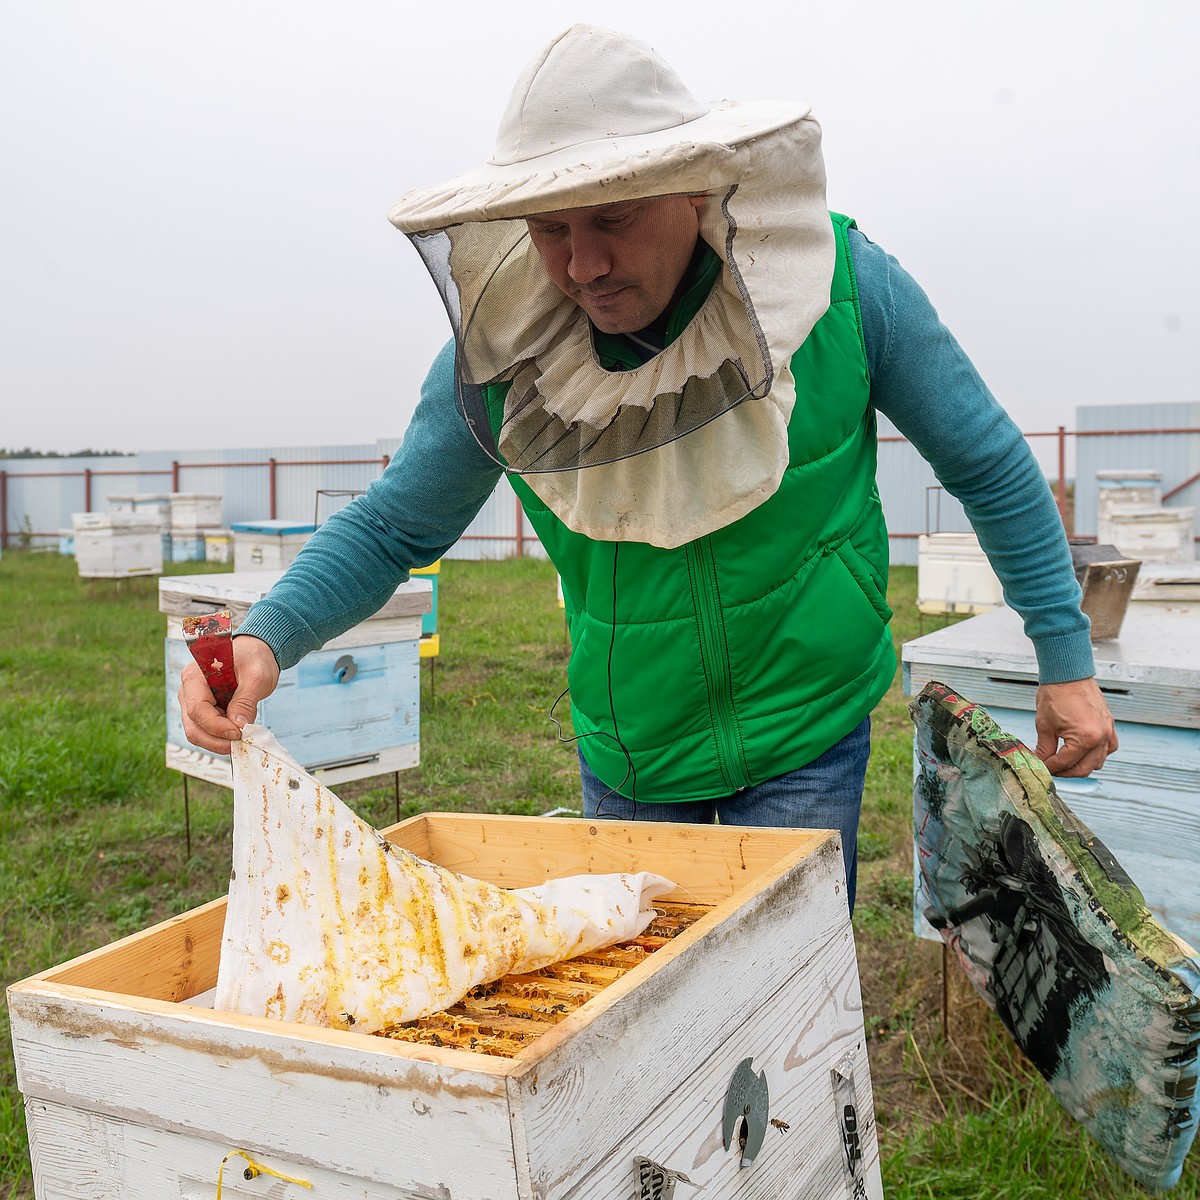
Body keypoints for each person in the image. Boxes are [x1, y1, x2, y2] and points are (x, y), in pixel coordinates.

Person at [180, 24, 1117, 912]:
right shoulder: (503, 360)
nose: (582, 263)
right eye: (548, 229)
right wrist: (270, 634)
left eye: (613, 217)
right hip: (632, 761)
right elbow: (396, 525)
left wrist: (1064, 659)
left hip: (806, 737)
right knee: (651, 1042)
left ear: (696, 190)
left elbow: (987, 462)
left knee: (785, 1017)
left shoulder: (840, 285)